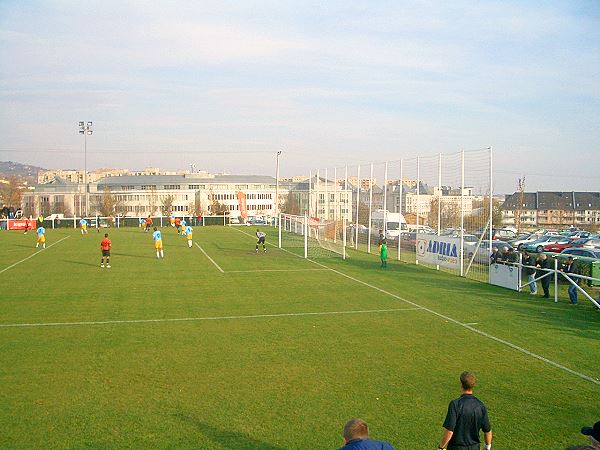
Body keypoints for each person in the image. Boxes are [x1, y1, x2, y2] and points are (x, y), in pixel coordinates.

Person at [438, 371, 492, 450]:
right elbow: (487, 430)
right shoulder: (480, 405)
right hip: (474, 447)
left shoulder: (455, 404)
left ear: (461, 384)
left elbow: (449, 431)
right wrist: (487, 446)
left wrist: (441, 447)